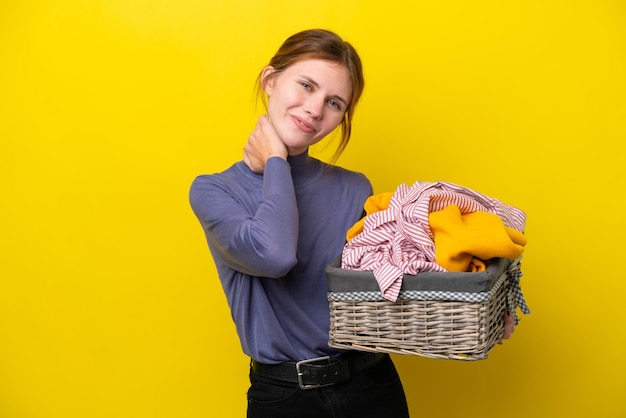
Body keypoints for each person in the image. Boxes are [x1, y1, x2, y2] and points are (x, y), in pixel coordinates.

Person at [189, 29, 410, 417]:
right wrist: (276, 159)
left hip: (372, 385)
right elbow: (274, 255)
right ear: (270, 81)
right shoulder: (213, 191)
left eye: (334, 102)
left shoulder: (354, 188)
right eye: (306, 85)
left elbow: (389, 278)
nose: (314, 109)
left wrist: (481, 305)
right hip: (285, 398)